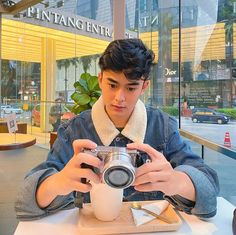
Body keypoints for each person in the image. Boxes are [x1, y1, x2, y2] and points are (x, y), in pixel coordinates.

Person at [15, 38, 219, 220]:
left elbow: (210, 198)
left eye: (131, 88)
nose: (119, 98)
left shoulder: (162, 126)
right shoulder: (76, 130)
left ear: (144, 86)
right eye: (112, 85)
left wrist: (178, 182)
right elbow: (24, 204)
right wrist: (57, 182)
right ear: (101, 79)